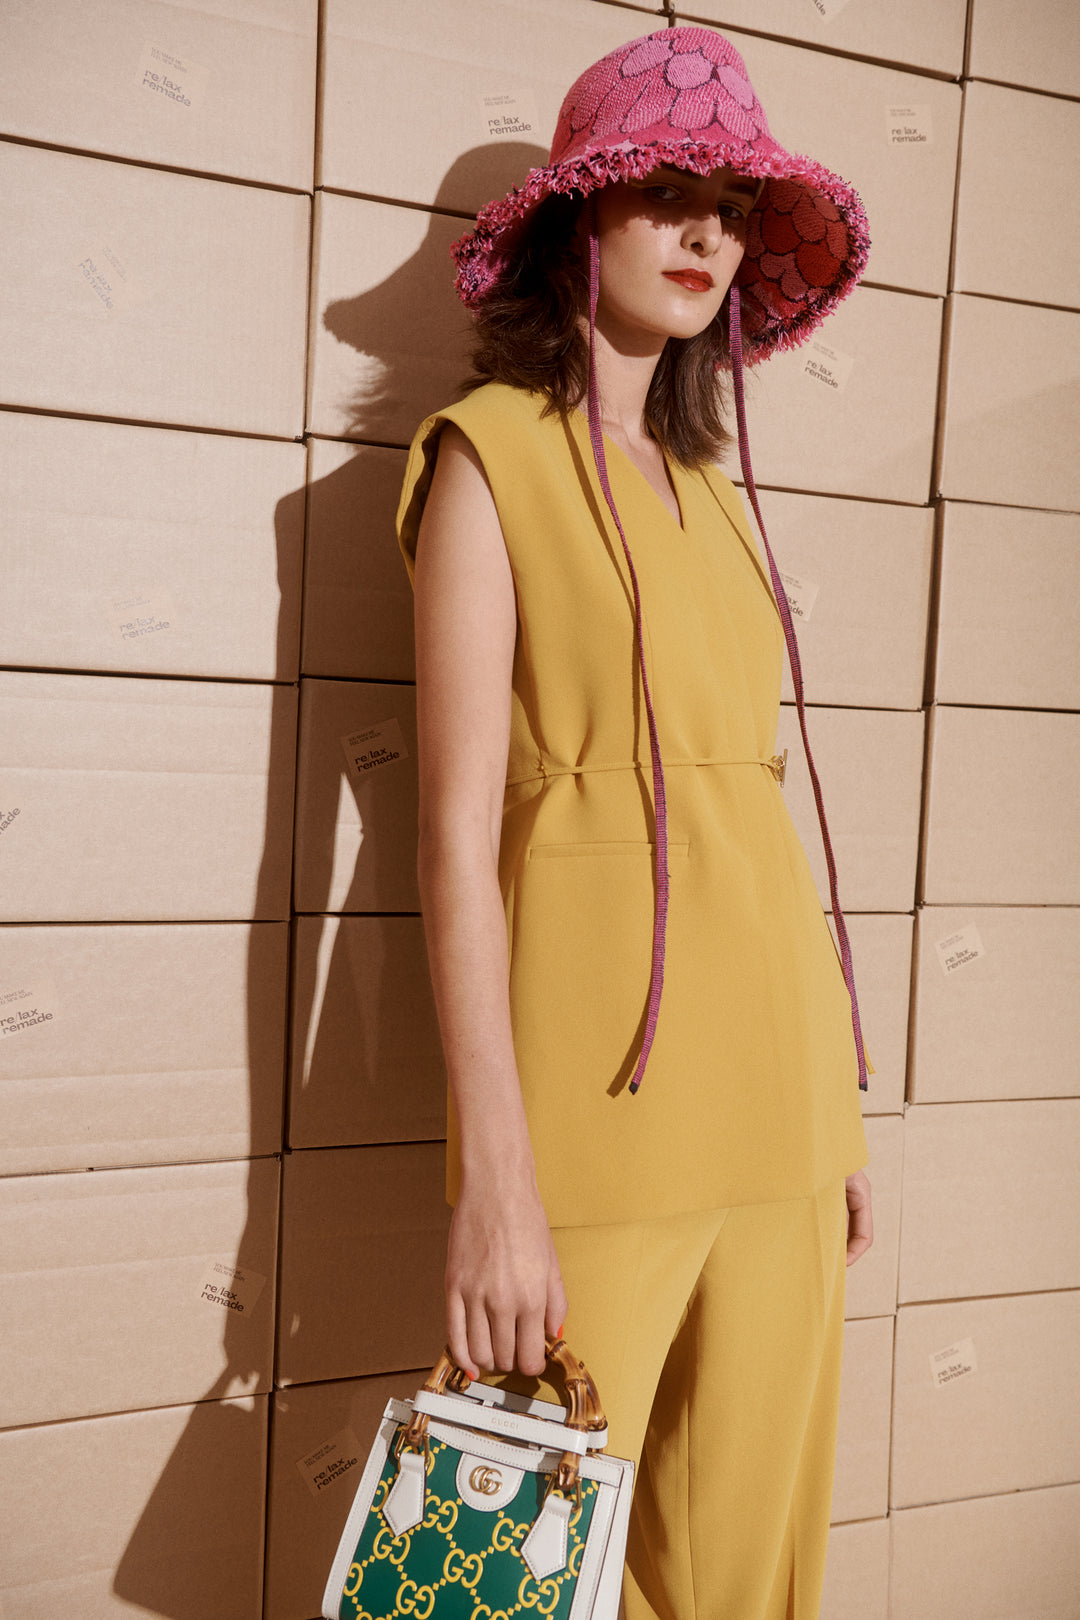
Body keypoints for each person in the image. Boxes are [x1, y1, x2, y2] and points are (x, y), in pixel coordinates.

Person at [396, 25, 874, 1619]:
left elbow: (756, 819)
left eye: (730, 208)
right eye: (664, 194)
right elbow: (454, 840)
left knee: (745, 1581)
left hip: (782, 1110)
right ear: (577, 220)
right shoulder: (488, 460)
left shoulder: (721, 495)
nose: (703, 233)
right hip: (594, 1115)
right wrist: (494, 1183)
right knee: (513, 1579)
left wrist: (837, 1114)